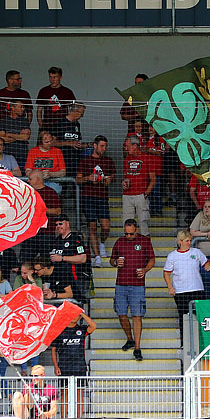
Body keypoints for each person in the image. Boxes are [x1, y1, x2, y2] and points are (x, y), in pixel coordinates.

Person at [110, 219, 155, 362]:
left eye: (131, 234)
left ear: (136, 230)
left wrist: (145, 270)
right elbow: (111, 260)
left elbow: (152, 259)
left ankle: (137, 347)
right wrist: (116, 262)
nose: (128, 236)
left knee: (137, 315)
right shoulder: (119, 241)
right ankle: (129, 339)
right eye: (126, 233)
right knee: (121, 314)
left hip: (137, 285)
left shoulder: (144, 241)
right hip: (121, 284)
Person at [76, 135, 116, 264]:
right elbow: (78, 179)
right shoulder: (85, 161)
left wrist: (108, 180)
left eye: (105, 146)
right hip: (88, 197)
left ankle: (102, 243)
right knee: (92, 227)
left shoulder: (108, 161)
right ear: (95, 145)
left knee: (105, 226)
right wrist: (88, 178)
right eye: (101, 146)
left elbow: (112, 178)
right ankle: (97, 256)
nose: (104, 149)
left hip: (102, 197)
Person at [51, 310, 97, 417]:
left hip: (79, 366)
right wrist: (55, 366)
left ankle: (79, 418)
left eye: (77, 315)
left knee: (79, 393)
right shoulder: (60, 331)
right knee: (64, 394)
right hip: (64, 367)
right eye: (72, 314)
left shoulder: (81, 329)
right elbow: (53, 350)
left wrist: (82, 313)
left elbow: (94, 326)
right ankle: (63, 418)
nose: (74, 317)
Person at [164, 230, 210, 324]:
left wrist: (208, 267)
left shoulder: (196, 252)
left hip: (197, 289)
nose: (189, 243)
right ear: (180, 242)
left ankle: (200, 337)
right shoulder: (172, 256)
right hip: (181, 291)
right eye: (187, 241)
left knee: (199, 316)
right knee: (183, 316)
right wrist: (170, 287)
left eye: (190, 240)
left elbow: (206, 263)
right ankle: (185, 338)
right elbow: (166, 273)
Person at [121, 136, 156, 235]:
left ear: (135, 146)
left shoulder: (147, 158)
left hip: (141, 194)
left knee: (143, 223)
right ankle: (129, 248)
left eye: (128, 146)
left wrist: (145, 194)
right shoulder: (127, 159)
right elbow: (124, 176)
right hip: (127, 195)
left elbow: (153, 180)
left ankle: (146, 247)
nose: (126, 149)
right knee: (127, 222)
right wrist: (123, 182)